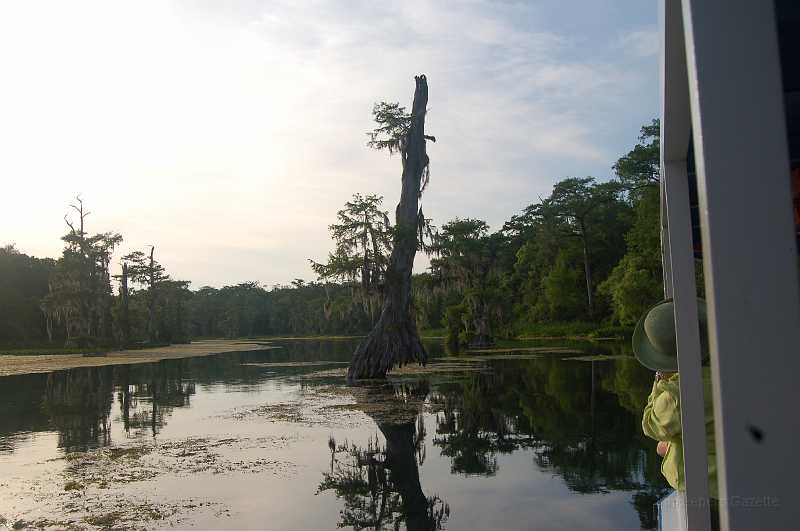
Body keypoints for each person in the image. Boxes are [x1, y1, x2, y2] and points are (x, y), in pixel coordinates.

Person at [633, 299, 719, 530]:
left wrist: (660, 381)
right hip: (738, 475)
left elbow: (650, 425)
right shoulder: (726, 373)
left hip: (707, 491)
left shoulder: (675, 396)